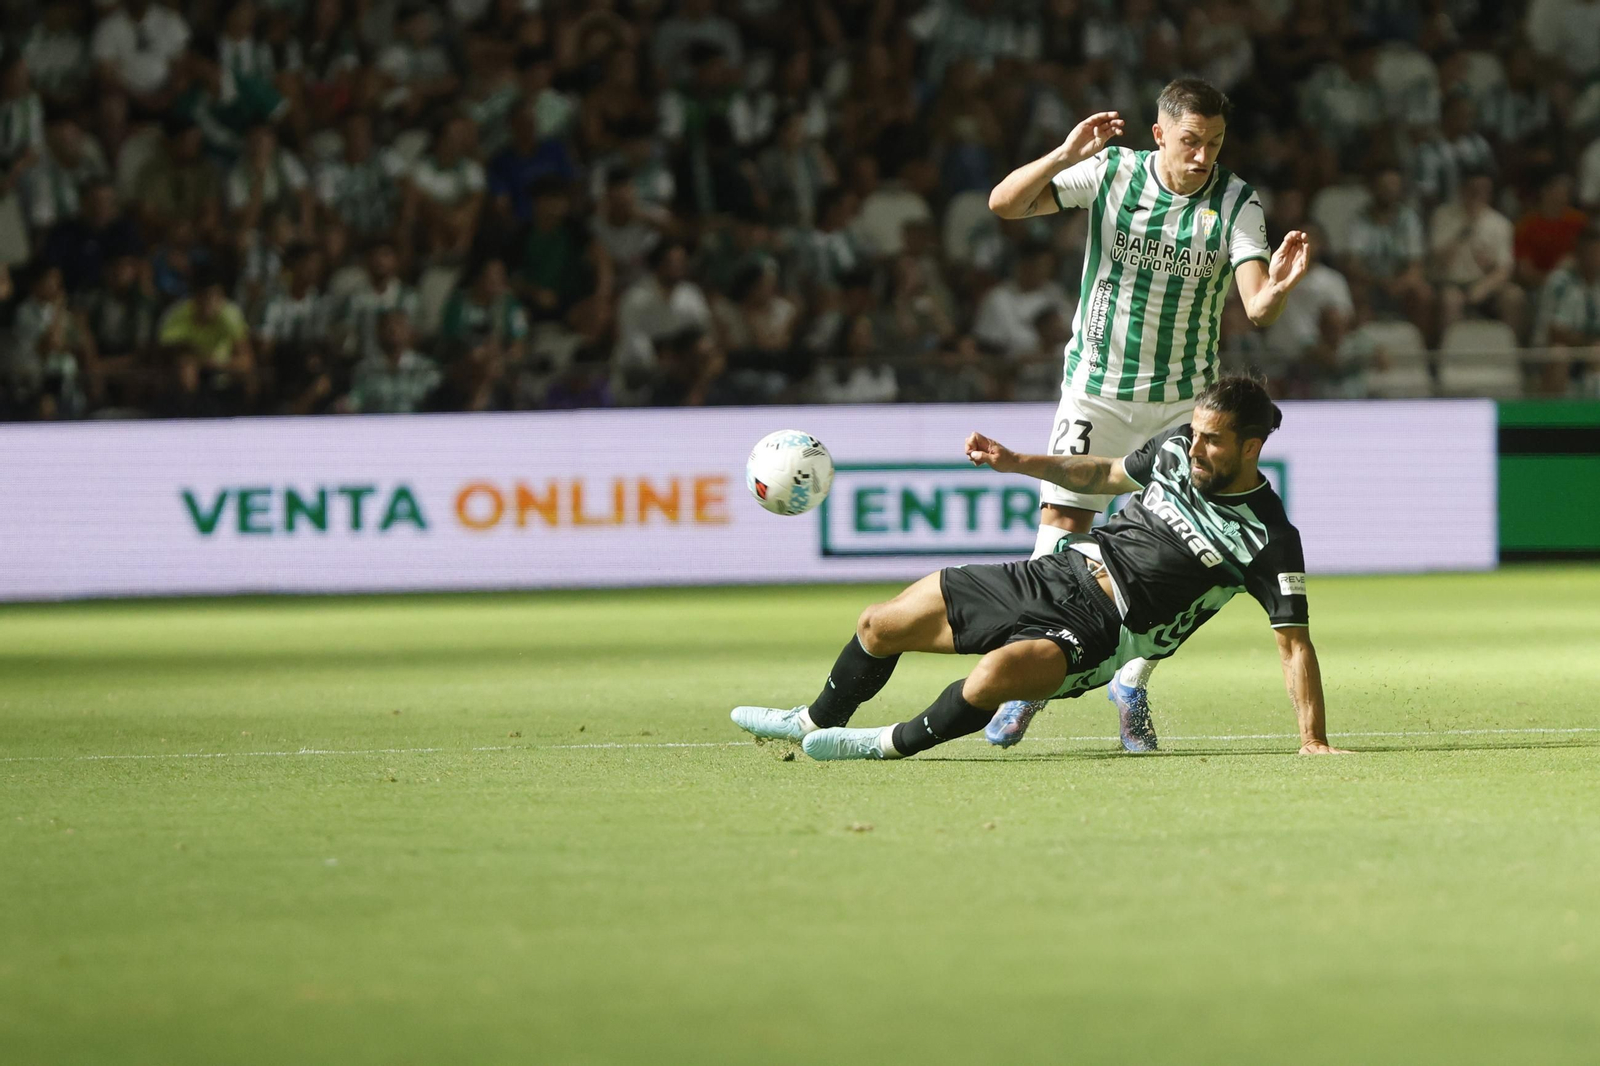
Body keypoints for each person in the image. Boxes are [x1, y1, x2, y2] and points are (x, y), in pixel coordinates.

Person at [730, 376, 1349, 761]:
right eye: (1194, 433)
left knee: (997, 674)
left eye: (1212, 440)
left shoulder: (1267, 534)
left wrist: (1311, 738)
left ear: (1250, 445)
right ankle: (812, 719)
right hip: (1056, 573)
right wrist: (1016, 460)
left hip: (1105, 631)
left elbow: (1294, 645)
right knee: (880, 624)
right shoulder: (1171, 452)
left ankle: (886, 745)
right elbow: (1104, 475)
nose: (1195, 448)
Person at [982, 78, 1312, 750]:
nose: (1202, 156)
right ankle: (1027, 685)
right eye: (1191, 141)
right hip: (1096, 388)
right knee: (1063, 527)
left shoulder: (1236, 203)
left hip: (1185, 405)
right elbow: (1004, 205)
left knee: (1185, 557)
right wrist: (1062, 154)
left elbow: (1255, 306)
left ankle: (1131, 682)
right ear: (1160, 134)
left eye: (1214, 143)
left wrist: (1275, 292)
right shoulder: (1111, 172)